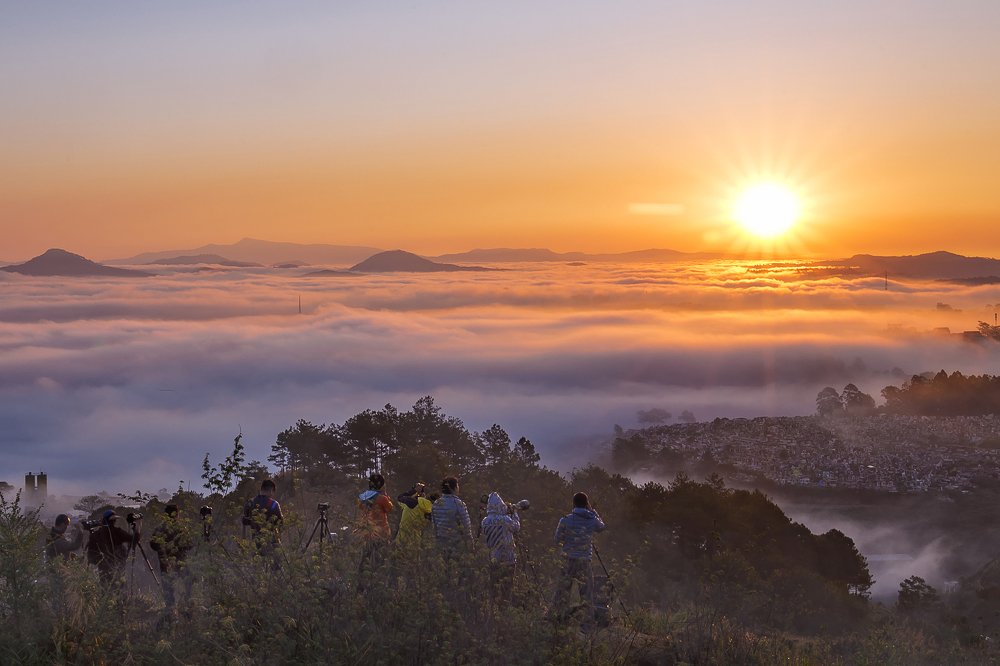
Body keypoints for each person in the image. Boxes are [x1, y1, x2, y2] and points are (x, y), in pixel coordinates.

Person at [553, 492, 606, 627]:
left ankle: (556, 619)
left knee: (562, 591)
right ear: (586, 504)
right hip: (584, 560)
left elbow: (557, 538)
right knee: (586, 593)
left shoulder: (565, 519)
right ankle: (587, 623)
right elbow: (602, 527)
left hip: (568, 559)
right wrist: (593, 511)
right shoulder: (592, 519)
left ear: (573, 504)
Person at [150, 504, 194, 609]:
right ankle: (187, 604)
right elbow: (190, 544)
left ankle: (170, 607)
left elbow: (153, 544)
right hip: (180, 561)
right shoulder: (180, 528)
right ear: (176, 514)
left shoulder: (159, 528)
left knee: (168, 584)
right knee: (187, 582)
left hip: (165, 562)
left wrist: (163, 549)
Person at [480, 491, 521, 601]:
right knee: (507, 588)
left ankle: (494, 607)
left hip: (494, 558)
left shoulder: (485, 521)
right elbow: (516, 527)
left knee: (494, 587)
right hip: (508, 558)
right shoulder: (505, 520)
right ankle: (505, 606)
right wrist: (514, 513)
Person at [356, 472, 393, 573]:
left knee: (366, 554)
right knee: (381, 554)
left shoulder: (363, 497)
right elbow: (389, 508)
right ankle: (379, 574)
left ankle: (361, 574)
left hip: (367, 530)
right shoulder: (382, 498)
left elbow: (360, 507)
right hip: (381, 531)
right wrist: (386, 496)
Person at [85, 509, 136, 582]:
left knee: (105, 585)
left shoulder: (95, 535)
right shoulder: (117, 532)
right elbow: (134, 539)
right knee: (119, 585)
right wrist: (137, 525)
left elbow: (91, 557)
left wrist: (101, 561)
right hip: (118, 568)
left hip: (103, 571)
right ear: (113, 521)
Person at [243, 479, 283, 565]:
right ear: (271, 490)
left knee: (258, 568)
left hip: (256, 542)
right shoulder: (273, 504)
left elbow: (245, 521)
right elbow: (280, 523)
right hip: (272, 543)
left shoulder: (250, 503)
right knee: (276, 568)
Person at [431, 476, 472, 555]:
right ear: (454, 488)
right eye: (457, 485)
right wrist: (470, 542)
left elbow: (434, 524)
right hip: (456, 543)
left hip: (440, 542)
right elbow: (466, 525)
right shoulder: (459, 504)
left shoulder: (436, 503)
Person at [395, 482, 434, 547]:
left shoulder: (411, 503)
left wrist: (414, 490)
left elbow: (400, 498)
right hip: (415, 542)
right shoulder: (432, 509)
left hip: (402, 540)